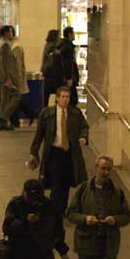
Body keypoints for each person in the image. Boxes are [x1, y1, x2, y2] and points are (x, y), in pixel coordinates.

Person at [67, 156, 130, 259]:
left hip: (109, 244)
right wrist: (85, 219)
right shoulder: (83, 189)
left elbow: (126, 216)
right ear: (96, 168)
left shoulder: (117, 191)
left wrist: (115, 219)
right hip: (87, 244)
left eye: (109, 169)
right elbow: (70, 213)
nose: (106, 172)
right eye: (103, 168)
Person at [29, 85, 89, 214]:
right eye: (63, 97)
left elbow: (84, 127)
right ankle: (54, 210)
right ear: (57, 98)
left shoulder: (75, 113)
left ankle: (62, 209)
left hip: (69, 153)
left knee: (65, 183)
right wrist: (34, 152)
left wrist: (83, 137)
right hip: (54, 153)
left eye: (67, 97)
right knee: (56, 183)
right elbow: (39, 135)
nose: (65, 99)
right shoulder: (47, 114)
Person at [3, 179, 70, 259]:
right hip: (21, 258)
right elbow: (7, 228)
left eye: (37, 199)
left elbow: (57, 231)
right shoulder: (16, 205)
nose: (34, 202)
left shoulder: (49, 206)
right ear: (24, 192)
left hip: (43, 257)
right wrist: (25, 221)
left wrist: (63, 251)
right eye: (31, 198)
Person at [11, 33, 38, 126]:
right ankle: (29, 115)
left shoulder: (16, 47)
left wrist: (17, 79)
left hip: (16, 78)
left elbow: (17, 64)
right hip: (16, 77)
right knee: (17, 100)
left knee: (15, 99)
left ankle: (18, 120)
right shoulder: (15, 46)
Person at [0, 25, 20, 131]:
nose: (12, 34)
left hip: (2, 76)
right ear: (6, 33)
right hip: (5, 77)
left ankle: (2, 123)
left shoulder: (1, 42)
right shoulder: (5, 45)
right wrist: (8, 79)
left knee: (4, 100)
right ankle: (3, 117)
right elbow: (4, 64)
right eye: (10, 32)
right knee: (17, 96)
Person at [58, 26, 80, 106]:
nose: (74, 35)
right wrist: (69, 78)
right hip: (69, 78)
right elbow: (68, 63)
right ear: (69, 34)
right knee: (72, 100)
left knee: (70, 99)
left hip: (64, 78)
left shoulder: (62, 45)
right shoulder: (67, 47)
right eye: (73, 33)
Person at [41, 29, 61, 107]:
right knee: (57, 93)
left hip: (47, 73)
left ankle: (45, 110)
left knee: (46, 95)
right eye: (58, 35)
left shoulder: (47, 45)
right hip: (52, 74)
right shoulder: (53, 46)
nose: (59, 37)